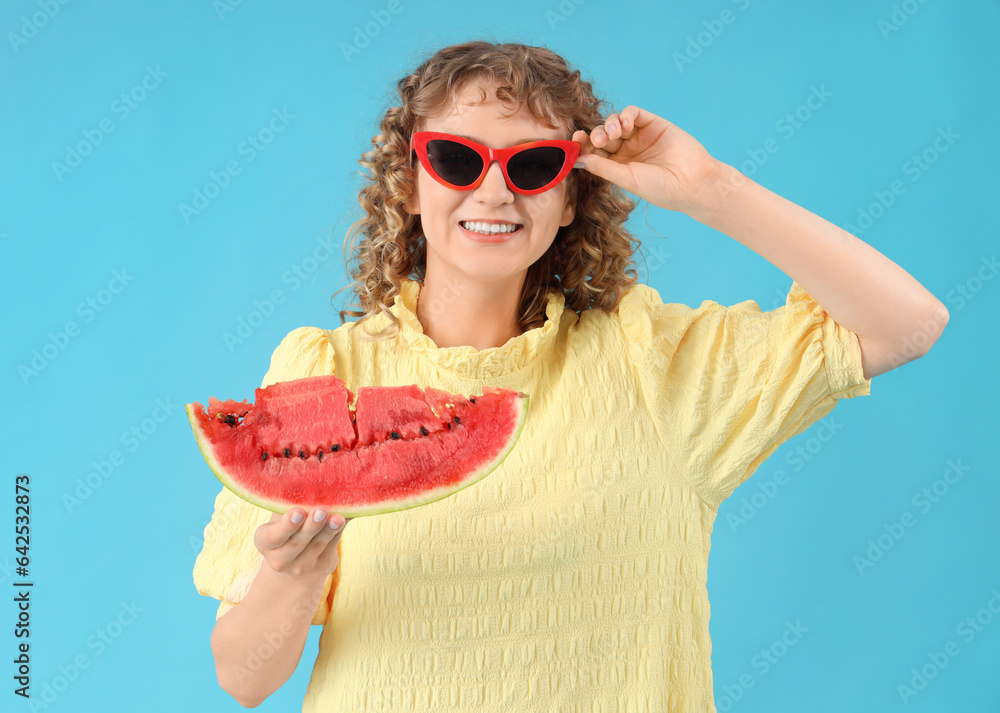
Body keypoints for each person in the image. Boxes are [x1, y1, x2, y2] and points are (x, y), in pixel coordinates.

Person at [193, 40, 947, 711]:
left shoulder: (651, 362)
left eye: (532, 165)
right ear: (409, 180)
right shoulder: (327, 373)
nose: (493, 192)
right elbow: (245, 679)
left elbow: (909, 321)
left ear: (568, 196)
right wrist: (290, 577)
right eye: (456, 159)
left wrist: (712, 187)